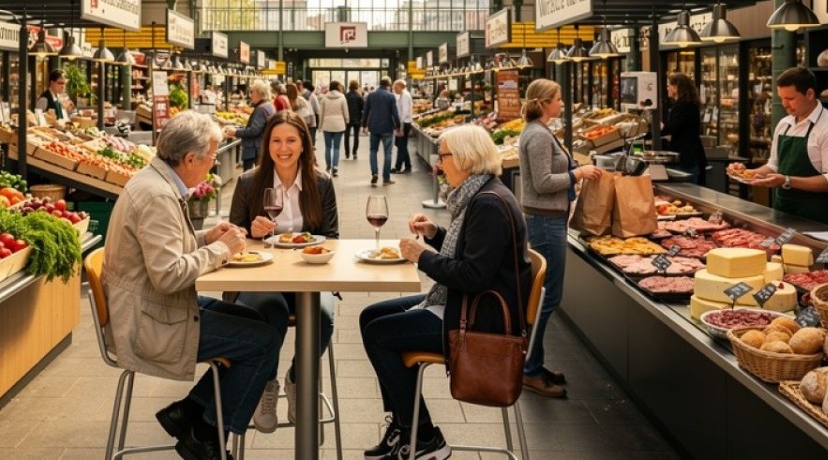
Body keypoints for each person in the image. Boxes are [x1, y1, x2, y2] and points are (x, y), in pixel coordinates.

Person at [101, 111, 280, 460]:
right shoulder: (158, 197)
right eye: (212, 157)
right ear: (189, 159)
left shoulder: (155, 183)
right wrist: (220, 250)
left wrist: (204, 238)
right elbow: (168, 275)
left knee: (258, 321)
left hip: (152, 307)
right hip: (148, 322)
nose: (213, 166)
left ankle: (192, 409)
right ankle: (206, 437)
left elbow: (160, 250)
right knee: (264, 341)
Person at [359, 125, 530, 460]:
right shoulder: (481, 194)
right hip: (464, 302)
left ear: (466, 158)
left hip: (480, 319)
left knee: (380, 334)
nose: (438, 164)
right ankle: (404, 424)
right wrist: (435, 233)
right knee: (371, 316)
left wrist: (422, 256)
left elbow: (473, 276)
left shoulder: (488, 205)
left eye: (444, 155)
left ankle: (424, 436)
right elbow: (472, 251)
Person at [229, 111, 338, 432]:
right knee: (269, 310)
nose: (283, 147)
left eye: (291, 139)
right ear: (267, 145)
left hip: (309, 275)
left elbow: (332, 238)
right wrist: (250, 232)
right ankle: (266, 384)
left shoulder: (321, 182)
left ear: (304, 143)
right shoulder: (249, 182)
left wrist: (312, 249)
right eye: (276, 140)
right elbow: (230, 233)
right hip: (261, 276)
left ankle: (297, 378)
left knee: (323, 316)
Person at [518, 78, 603, 398]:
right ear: (543, 102)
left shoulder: (540, 131)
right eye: (558, 98)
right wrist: (577, 174)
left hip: (547, 220)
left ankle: (535, 362)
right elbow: (542, 182)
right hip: (544, 222)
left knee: (544, 297)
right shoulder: (538, 136)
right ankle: (529, 369)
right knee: (545, 298)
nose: (562, 103)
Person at [729, 67, 828, 227]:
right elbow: (774, 165)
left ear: (809, 94)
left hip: (818, 217)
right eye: (782, 98)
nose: (784, 105)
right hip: (783, 212)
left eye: (790, 98)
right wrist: (746, 173)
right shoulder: (785, 124)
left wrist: (787, 180)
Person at [661, 72, 708, 185]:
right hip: (689, 156)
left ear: (676, 87)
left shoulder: (684, 106)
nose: (667, 88)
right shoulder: (688, 104)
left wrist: (661, 126)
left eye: (669, 85)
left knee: (688, 189)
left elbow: (673, 128)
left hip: (688, 158)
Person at [224, 78, 276, 172]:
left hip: (255, 150)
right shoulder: (268, 106)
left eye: (252, 92)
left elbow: (254, 130)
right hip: (261, 147)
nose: (250, 95)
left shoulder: (261, 109)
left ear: (259, 93)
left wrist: (236, 132)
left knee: (251, 176)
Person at [362, 77, 401, 186]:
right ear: (388, 85)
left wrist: (364, 125)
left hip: (373, 127)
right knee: (388, 152)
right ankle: (386, 178)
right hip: (387, 128)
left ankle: (374, 173)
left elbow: (366, 111)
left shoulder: (371, 95)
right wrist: (398, 126)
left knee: (373, 150)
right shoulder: (390, 96)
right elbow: (395, 113)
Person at [319, 81, 349, 176]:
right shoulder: (342, 97)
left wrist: (320, 126)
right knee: (336, 147)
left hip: (327, 125)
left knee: (328, 147)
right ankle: (335, 167)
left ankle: (328, 166)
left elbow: (321, 113)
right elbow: (345, 111)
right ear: (337, 87)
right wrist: (347, 121)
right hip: (339, 125)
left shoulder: (324, 98)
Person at [391, 79, 414, 174]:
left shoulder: (404, 96)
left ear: (401, 86)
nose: (394, 90)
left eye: (395, 88)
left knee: (401, 145)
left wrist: (399, 126)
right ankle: (404, 166)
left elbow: (404, 112)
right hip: (404, 122)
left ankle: (401, 167)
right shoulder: (404, 95)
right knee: (402, 145)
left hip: (404, 123)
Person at [345, 80, 365, 160]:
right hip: (357, 118)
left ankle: (347, 153)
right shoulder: (359, 96)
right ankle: (354, 152)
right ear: (357, 86)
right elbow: (362, 108)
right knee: (356, 136)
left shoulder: (346, 96)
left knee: (346, 136)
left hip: (348, 119)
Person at [300, 80, 320, 147]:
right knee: (311, 141)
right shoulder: (312, 96)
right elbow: (317, 109)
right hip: (311, 120)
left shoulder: (299, 95)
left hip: (301, 120)